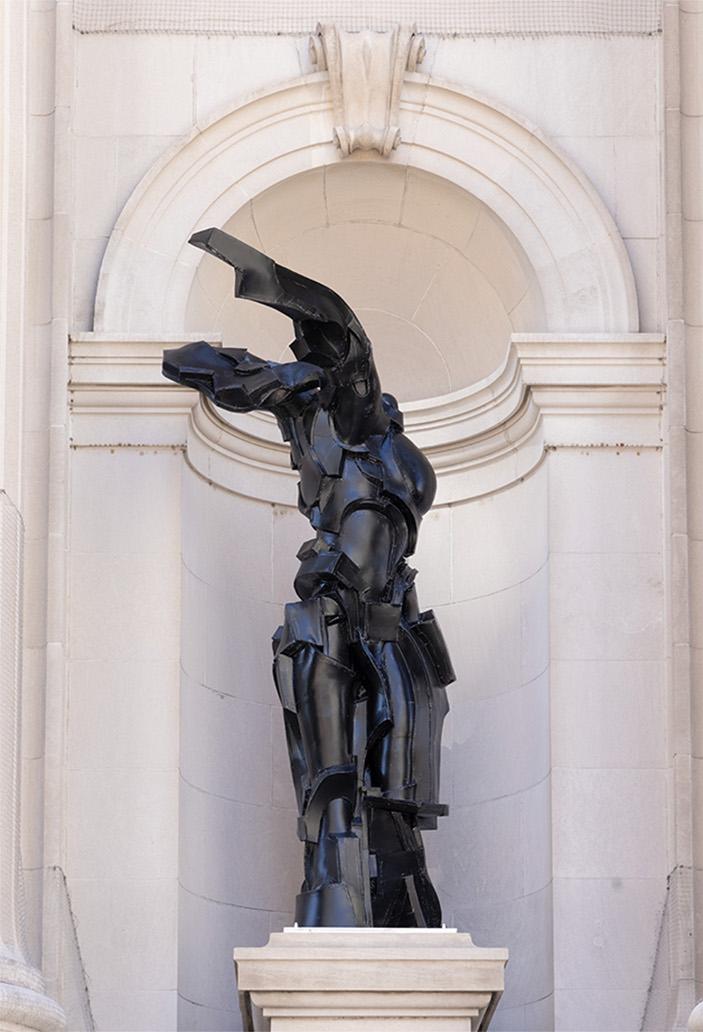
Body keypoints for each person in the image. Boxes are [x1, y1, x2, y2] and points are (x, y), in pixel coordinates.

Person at [163, 228, 455, 928]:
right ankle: (338, 886)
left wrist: (262, 279)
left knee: (385, 782)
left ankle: (376, 897)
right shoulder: (358, 442)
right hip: (349, 616)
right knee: (342, 765)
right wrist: (205, 363)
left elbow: (338, 338)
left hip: (370, 620)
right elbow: (253, 377)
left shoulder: (364, 434)